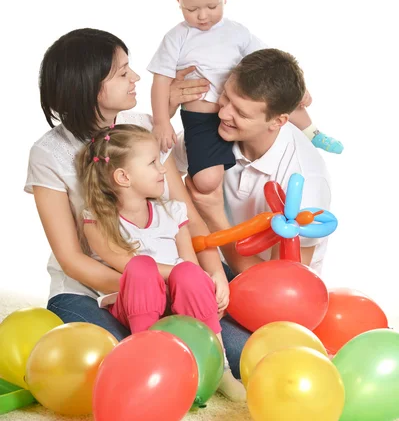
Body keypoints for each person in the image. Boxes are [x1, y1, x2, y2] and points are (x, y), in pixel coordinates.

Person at [24, 28, 251, 380]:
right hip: (94, 291)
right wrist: (145, 288)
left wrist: (213, 273)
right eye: (122, 72)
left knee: (238, 352)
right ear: (89, 86)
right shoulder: (49, 153)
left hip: (171, 279)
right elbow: (71, 259)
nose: (136, 77)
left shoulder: (142, 127)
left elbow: (186, 215)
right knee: (116, 359)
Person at [148, 0, 342, 197]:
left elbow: (274, 61)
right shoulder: (177, 37)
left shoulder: (237, 32)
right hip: (203, 120)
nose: (203, 15)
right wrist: (162, 121)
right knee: (207, 181)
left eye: (212, 5)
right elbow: (160, 82)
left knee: (281, 96)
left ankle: (312, 133)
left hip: (239, 109)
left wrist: (300, 87)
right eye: (192, 8)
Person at [76, 123, 245, 401]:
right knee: (141, 267)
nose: (163, 169)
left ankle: (221, 369)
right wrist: (180, 271)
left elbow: (190, 265)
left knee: (190, 274)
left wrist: (207, 282)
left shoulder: (172, 212)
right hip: (136, 303)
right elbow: (124, 263)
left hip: (179, 301)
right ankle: (148, 361)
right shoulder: (97, 220)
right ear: (123, 176)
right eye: (153, 163)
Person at [173, 48, 332, 277]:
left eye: (241, 112)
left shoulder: (306, 181)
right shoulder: (217, 132)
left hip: (273, 291)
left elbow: (278, 284)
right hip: (209, 265)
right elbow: (159, 159)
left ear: (278, 121)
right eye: (225, 97)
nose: (223, 114)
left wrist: (214, 216)